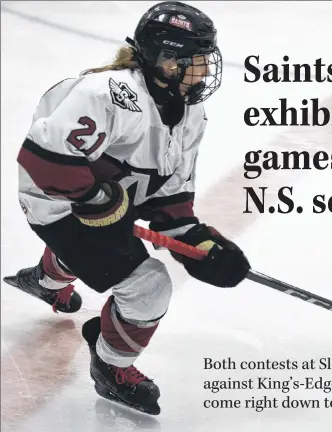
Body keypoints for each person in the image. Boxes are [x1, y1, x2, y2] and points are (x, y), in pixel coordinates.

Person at [4, 1, 250, 415]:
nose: (205, 71)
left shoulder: (189, 112)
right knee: (149, 288)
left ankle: (47, 279)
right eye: (197, 61)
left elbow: (169, 200)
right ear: (166, 59)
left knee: (107, 237)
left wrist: (200, 245)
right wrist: (94, 200)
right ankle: (112, 365)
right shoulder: (108, 94)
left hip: (101, 194)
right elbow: (44, 160)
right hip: (55, 200)